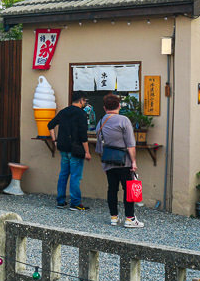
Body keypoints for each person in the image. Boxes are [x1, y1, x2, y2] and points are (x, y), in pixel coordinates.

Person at [95, 93, 143, 228]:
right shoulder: (124, 120)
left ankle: (114, 217)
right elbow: (130, 144)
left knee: (112, 189)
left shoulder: (100, 122)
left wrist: (104, 164)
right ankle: (129, 218)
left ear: (104, 108)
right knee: (128, 189)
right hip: (124, 162)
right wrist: (133, 161)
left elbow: (99, 147)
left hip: (109, 162)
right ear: (119, 106)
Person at [48, 91, 92, 210]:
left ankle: (60, 201)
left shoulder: (63, 112)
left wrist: (55, 141)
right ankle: (75, 203)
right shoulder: (81, 114)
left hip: (63, 148)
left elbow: (50, 125)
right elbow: (83, 136)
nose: (85, 103)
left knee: (63, 175)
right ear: (81, 100)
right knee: (75, 176)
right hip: (76, 149)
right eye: (85, 101)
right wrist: (87, 152)